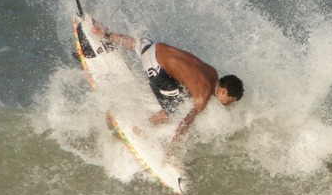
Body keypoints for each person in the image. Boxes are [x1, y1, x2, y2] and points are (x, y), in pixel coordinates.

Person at [91, 21, 244, 155]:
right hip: (154, 68)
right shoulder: (202, 98)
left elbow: (190, 75)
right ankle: (141, 128)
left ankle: (106, 34)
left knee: (142, 47)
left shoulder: (212, 72)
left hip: (155, 48)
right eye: (228, 101)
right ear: (223, 91)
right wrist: (170, 152)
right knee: (174, 109)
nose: (227, 104)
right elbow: (184, 125)